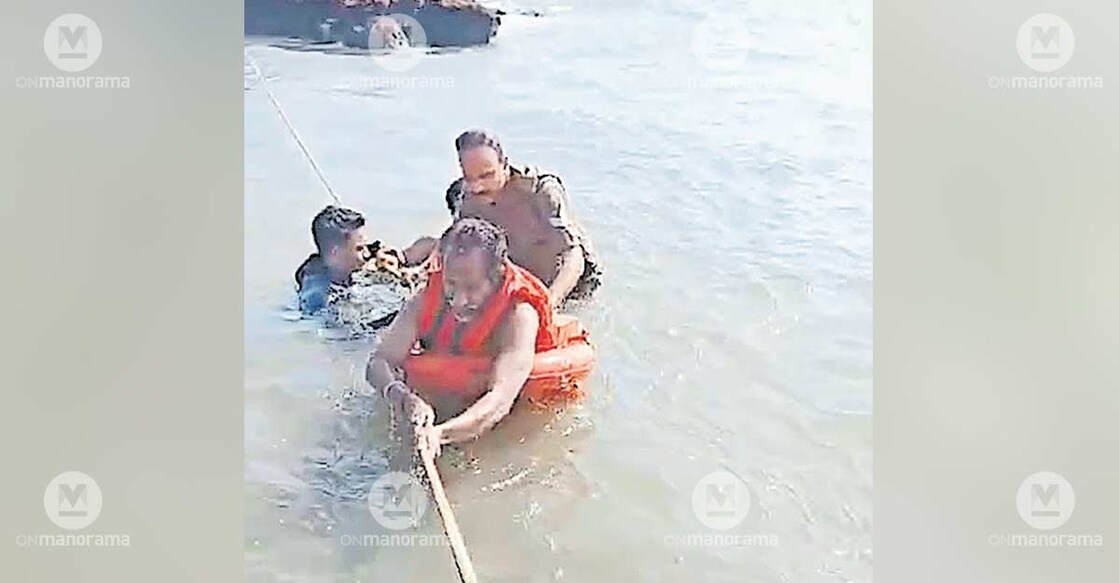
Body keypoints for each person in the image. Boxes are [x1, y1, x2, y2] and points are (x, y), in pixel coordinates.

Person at [366, 218, 559, 458]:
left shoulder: (519, 314)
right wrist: (402, 396)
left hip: (511, 411)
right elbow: (379, 361)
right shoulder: (426, 296)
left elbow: (500, 400)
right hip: (449, 393)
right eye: (451, 284)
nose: (458, 300)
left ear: (497, 275)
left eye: (471, 288)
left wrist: (441, 435)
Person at [444, 130, 602, 308]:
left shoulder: (542, 192)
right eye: (469, 178)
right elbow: (457, 250)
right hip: (520, 288)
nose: (477, 187)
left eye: (487, 176)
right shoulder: (468, 200)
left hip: (570, 290)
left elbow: (574, 256)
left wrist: (551, 302)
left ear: (504, 164)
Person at [295, 205, 435, 314]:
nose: (366, 255)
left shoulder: (337, 268)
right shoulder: (318, 297)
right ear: (336, 252)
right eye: (360, 249)